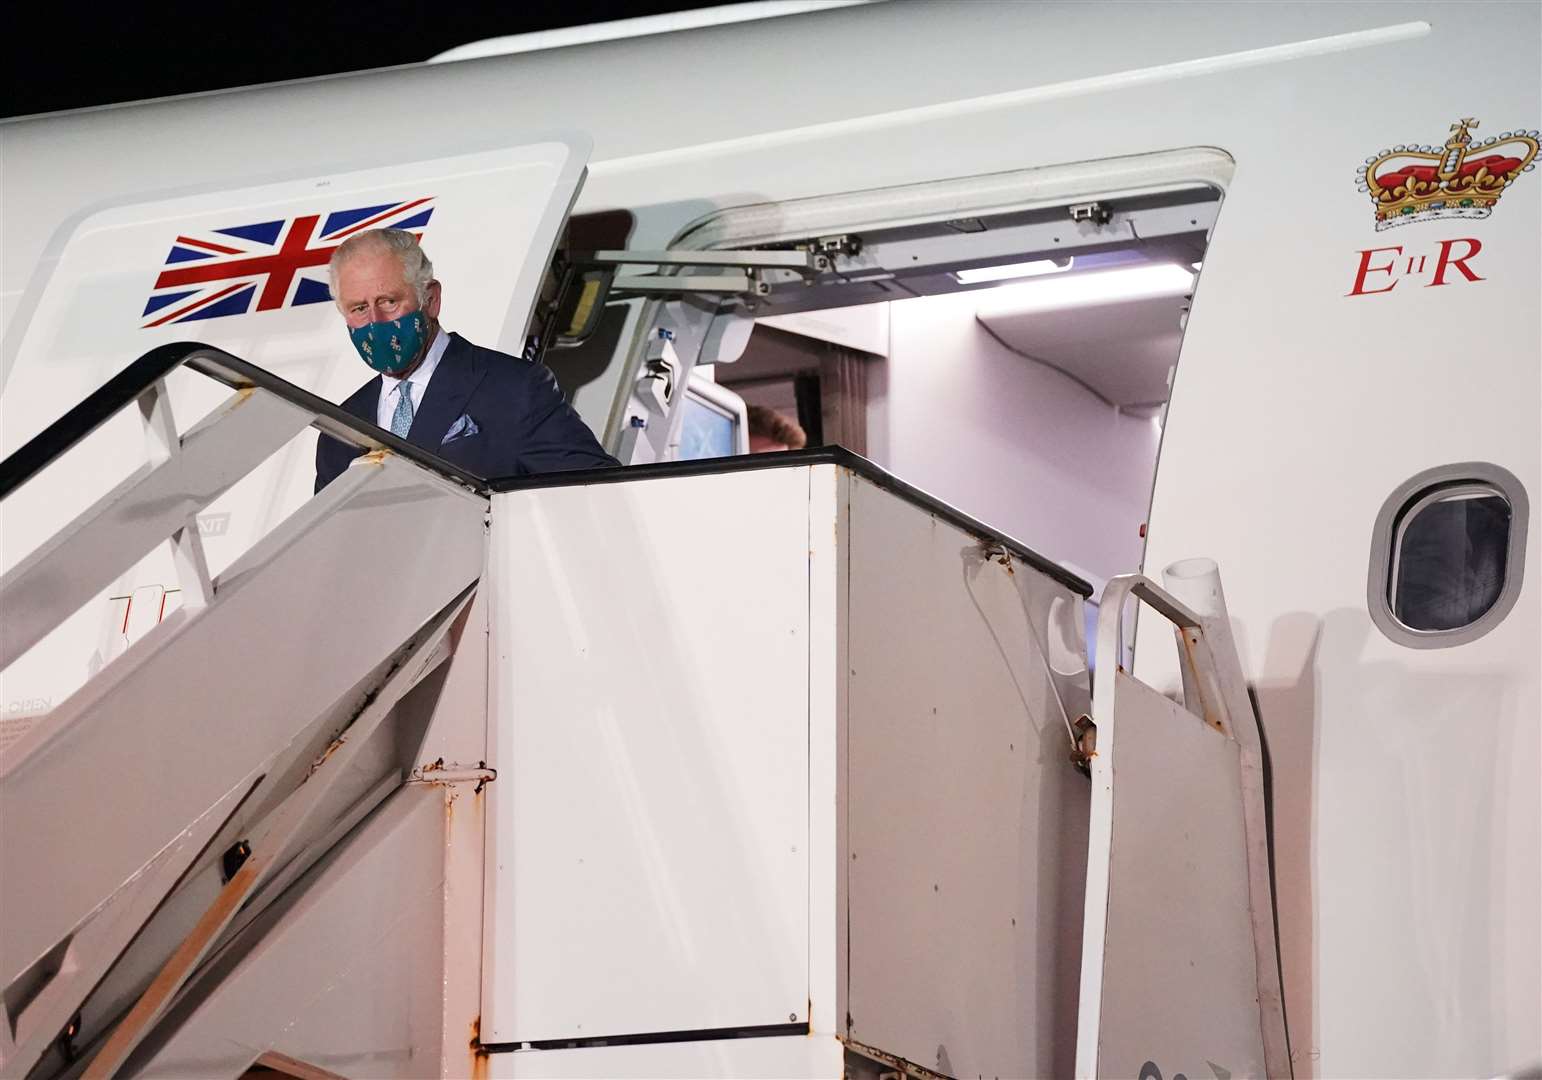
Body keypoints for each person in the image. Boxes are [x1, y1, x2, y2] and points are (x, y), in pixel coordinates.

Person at [314, 228, 618, 492]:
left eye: (389, 301)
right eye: (358, 309)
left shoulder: (514, 389)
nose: (376, 321)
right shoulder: (340, 429)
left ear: (431, 299)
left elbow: (596, 492)